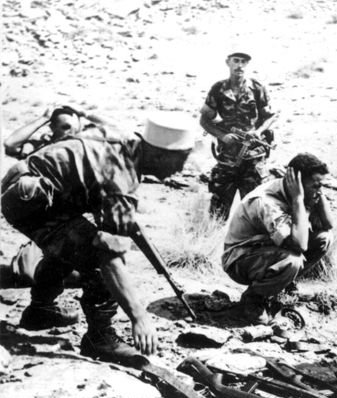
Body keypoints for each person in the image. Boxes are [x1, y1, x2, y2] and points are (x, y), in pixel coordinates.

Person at [1, 111, 195, 365]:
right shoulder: (120, 177)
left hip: (28, 188)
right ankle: (100, 339)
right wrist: (139, 316)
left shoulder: (125, 139)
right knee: (94, 258)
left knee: (72, 244)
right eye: (181, 160)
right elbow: (110, 260)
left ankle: (41, 310)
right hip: (30, 202)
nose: (181, 169)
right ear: (160, 155)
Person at [2, 105, 110, 309]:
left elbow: (121, 134)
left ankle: (43, 306)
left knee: (83, 259)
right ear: (52, 128)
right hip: (42, 226)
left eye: (73, 127)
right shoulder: (43, 148)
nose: (69, 132)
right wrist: (42, 118)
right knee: (29, 271)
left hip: (66, 222)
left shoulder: (83, 148)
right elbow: (10, 145)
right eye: (63, 127)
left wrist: (86, 113)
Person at [222, 153, 333, 324]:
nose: (318, 190)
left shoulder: (307, 192)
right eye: (315, 185)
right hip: (240, 259)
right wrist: (298, 199)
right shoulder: (267, 201)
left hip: (267, 250)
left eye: (321, 185)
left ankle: (283, 284)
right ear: (296, 182)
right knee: (292, 260)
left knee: (324, 238)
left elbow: (328, 224)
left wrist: (318, 191)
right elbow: (300, 245)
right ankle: (253, 299)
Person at [200, 51, 276, 219]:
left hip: (252, 157)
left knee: (254, 208)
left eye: (243, 61)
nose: (239, 65)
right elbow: (204, 120)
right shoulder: (218, 89)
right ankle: (212, 235)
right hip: (228, 157)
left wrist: (258, 132)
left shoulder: (257, 88)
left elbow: (270, 117)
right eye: (236, 61)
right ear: (228, 62)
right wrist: (222, 136)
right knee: (218, 210)